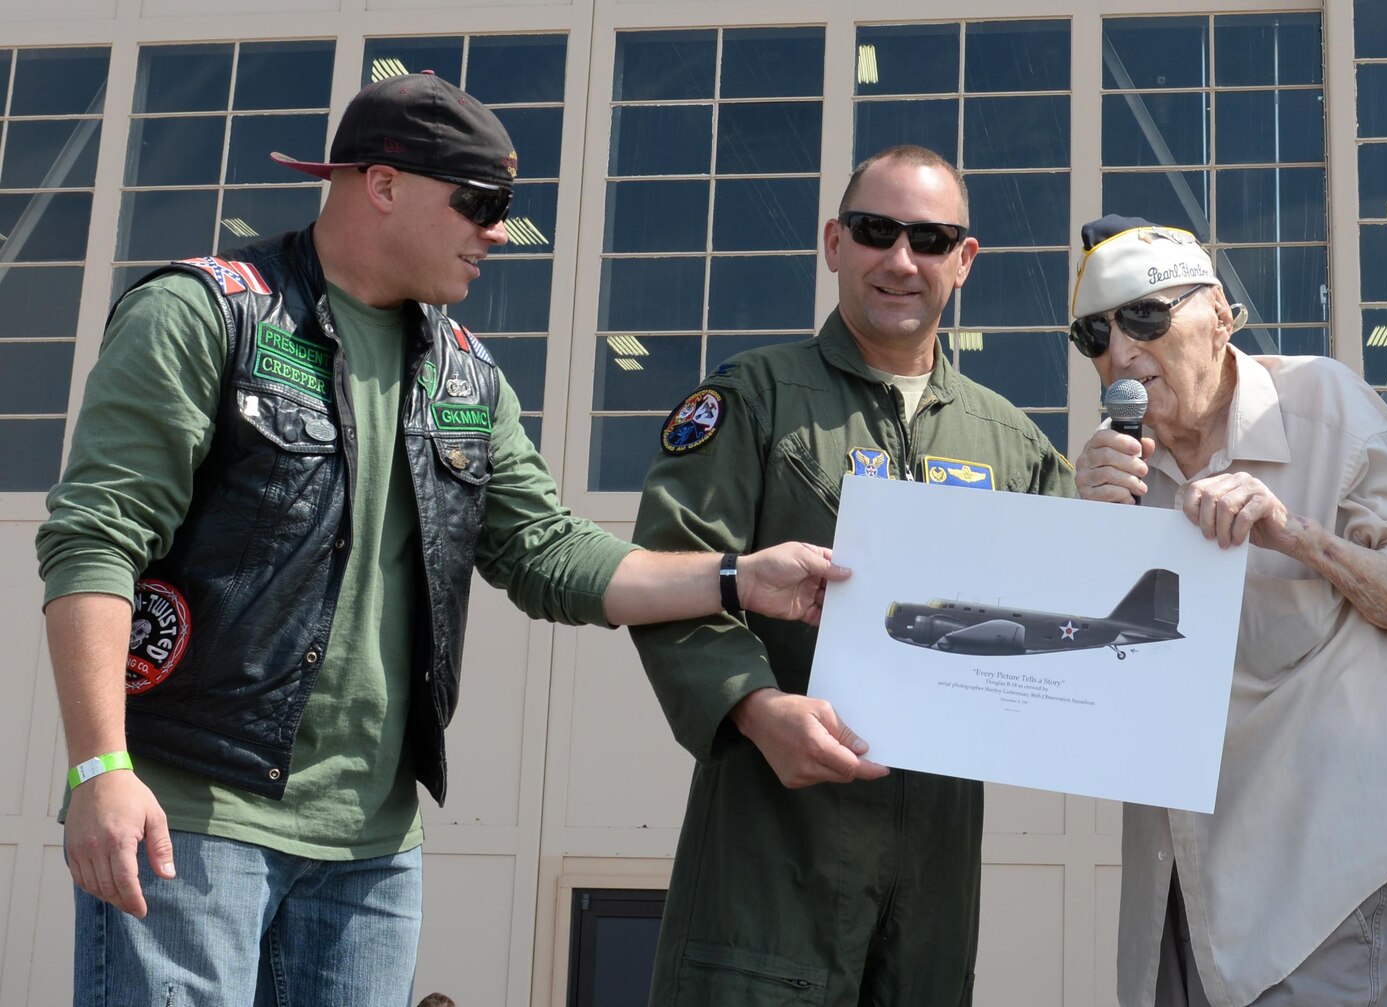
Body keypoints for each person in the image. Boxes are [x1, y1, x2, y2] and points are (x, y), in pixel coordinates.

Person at [39, 72, 846, 1006]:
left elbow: (549, 552)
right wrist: (102, 767)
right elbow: (96, 541)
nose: (498, 231)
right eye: (481, 203)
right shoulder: (204, 313)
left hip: (374, 852)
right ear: (382, 184)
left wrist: (741, 576)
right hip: (191, 820)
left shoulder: (466, 376)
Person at [627, 144, 1075, 1005]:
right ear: (834, 242)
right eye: (876, 231)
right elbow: (666, 573)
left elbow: (1080, 614)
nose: (902, 260)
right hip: (771, 845)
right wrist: (756, 711)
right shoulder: (755, 400)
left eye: (931, 238)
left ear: (964, 261)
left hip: (936, 868)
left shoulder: (1014, 444)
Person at [1069, 215, 1387, 1007]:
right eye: (1095, 332)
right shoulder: (1116, 467)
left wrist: (1292, 534)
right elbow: (1088, 681)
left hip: (1327, 858)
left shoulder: (1323, 402)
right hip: (1184, 870)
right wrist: (1090, 534)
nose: (1121, 351)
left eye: (1146, 317)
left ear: (1221, 316)